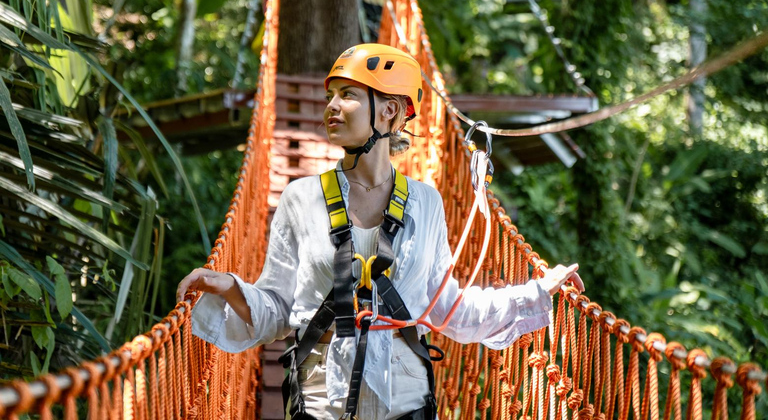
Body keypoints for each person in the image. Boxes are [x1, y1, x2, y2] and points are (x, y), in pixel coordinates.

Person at [177, 44, 584, 420]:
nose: (332, 107)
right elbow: (279, 310)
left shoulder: (426, 204)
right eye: (330, 96)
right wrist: (229, 285)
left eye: (348, 95)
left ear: (389, 110)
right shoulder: (301, 198)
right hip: (321, 404)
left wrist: (536, 291)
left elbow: (446, 308)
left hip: (405, 404)